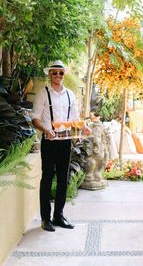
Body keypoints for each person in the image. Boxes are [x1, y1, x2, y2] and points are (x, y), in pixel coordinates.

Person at [31, 60, 78, 232]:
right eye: (54, 72)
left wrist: (83, 127)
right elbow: (34, 117)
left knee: (63, 179)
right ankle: (45, 218)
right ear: (49, 74)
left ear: (64, 74)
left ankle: (59, 216)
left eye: (60, 72)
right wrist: (45, 129)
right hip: (49, 142)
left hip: (65, 141)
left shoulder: (70, 95)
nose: (57, 76)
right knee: (47, 178)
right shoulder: (42, 94)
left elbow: (74, 118)